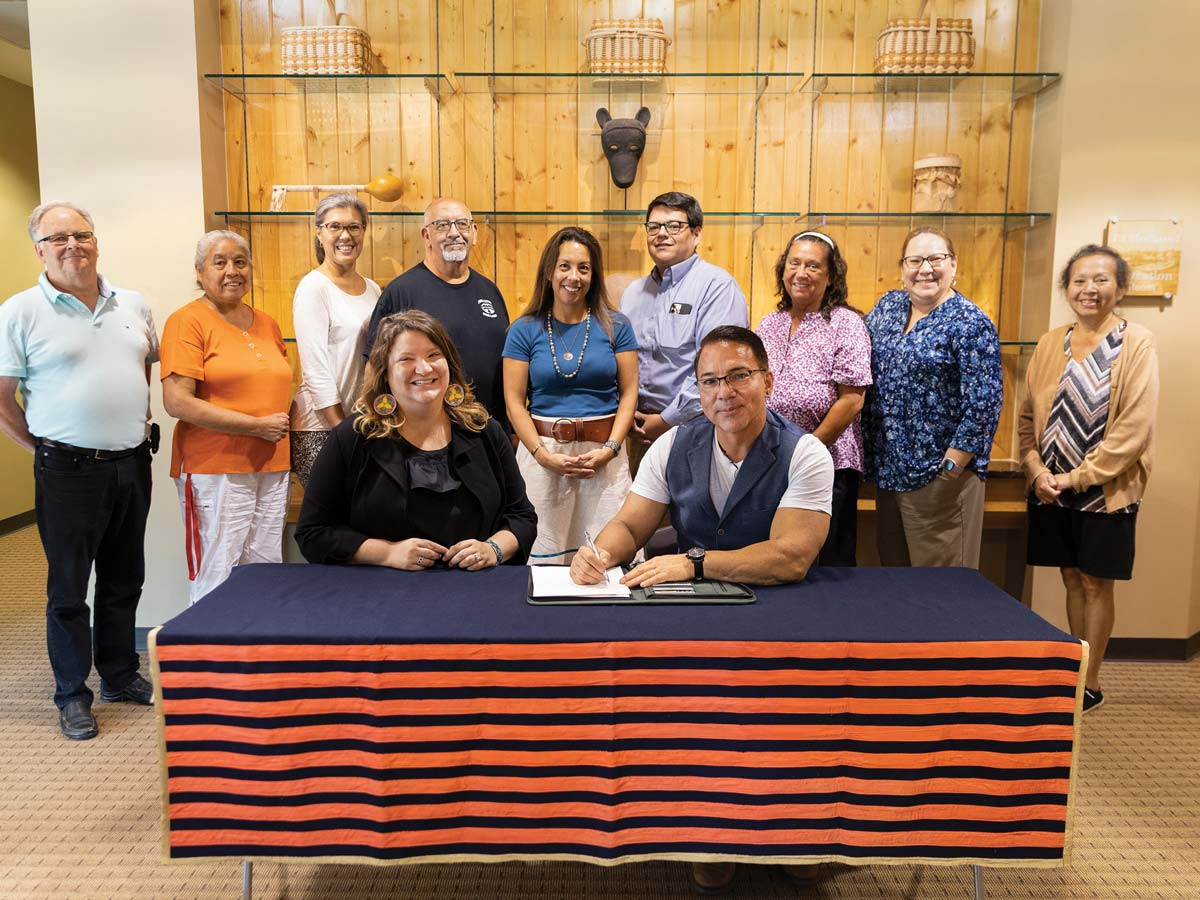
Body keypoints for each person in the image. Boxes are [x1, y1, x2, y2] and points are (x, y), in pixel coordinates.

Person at [570, 325, 832, 893]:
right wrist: (598, 555)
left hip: (778, 618)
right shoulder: (673, 444)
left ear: (767, 379)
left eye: (739, 376)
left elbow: (791, 557)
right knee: (693, 727)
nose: (724, 392)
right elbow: (632, 524)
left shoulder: (805, 452)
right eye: (710, 381)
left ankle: (790, 833)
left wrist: (694, 563)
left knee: (783, 732)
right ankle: (706, 833)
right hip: (696, 621)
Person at [0, 201, 157, 740]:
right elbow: (2, 399)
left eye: (82, 235)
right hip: (66, 470)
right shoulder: (19, 311)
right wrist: (43, 449)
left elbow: (141, 369)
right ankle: (72, 694)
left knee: (123, 578)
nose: (74, 246)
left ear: (96, 241)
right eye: (59, 238)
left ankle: (119, 675)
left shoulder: (132, 303)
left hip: (133, 464)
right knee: (69, 589)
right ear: (39, 249)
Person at [1018, 245, 1158, 714]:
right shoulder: (1049, 342)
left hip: (1104, 490)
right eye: (1079, 281)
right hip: (1050, 488)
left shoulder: (1136, 342)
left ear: (1120, 288)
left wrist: (1078, 477)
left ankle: (1090, 682)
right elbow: (1027, 418)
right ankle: (1075, 670)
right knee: (1072, 578)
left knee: (1098, 583)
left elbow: (1133, 430)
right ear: (1067, 288)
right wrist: (1036, 469)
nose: (1089, 290)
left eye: (1101, 280)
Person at [296, 310, 536, 569]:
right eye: (406, 359)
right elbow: (313, 533)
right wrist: (386, 553)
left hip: (475, 590)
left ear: (449, 364)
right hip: (380, 594)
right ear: (385, 374)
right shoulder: (353, 437)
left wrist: (493, 549)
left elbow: (522, 517)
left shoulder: (485, 430)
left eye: (434, 355)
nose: (424, 368)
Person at [160, 231, 293, 605]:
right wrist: (255, 426)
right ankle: (209, 660)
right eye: (219, 262)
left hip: (271, 465)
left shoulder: (266, 322)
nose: (232, 271)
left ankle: (259, 655)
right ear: (200, 272)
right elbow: (177, 402)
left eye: (240, 261)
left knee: (266, 568)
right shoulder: (187, 321)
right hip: (214, 467)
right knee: (217, 570)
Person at [863, 226, 1002, 569]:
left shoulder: (970, 323)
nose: (925, 268)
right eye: (915, 260)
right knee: (894, 578)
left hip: (939, 477)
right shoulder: (888, 308)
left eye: (936, 258)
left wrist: (951, 469)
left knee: (941, 587)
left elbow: (984, 403)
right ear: (902, 268)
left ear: (953, 265)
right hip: (890, 473)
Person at [502, 227, 638, 562]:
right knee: (541, 558)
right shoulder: (524, 329)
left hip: (604, 457)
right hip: (543, 455)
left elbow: (630, 393)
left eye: (583, 268)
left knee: (608, 560)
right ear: (549, 271)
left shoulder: (616, 326)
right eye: (565, 266)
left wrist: (610, 449)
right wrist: (542, 455)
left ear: (594, 275)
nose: (573, 277)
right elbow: (514, 402)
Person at [756, 230, 871, 566]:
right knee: (776, 556)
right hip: (772, 462)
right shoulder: (769, 324)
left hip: (829, 462)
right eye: (794, 263)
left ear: (831, 275)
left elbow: (852, 401)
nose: (801, 273)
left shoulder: (846, 323)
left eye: (813, 266)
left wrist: (807, 451)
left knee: (827, 564)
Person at [620, 192, 749, 454]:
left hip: (696, 430)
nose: (662, 234)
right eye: (653, 226)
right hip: (635, 431)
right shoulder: (633, 293)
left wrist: (667, 419)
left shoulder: (716, 287)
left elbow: (718, 369)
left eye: (674, 226)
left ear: (697, 234)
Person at [364, 197, 510, 425]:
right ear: (426, 236)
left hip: (490, 431)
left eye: (462, 224)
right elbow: (374, 369)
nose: (454, 233)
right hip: (426, 434)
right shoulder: (402, 291)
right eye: (442, 225)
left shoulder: (490, 291)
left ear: (474, 232)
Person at [290, 193, 382, 485]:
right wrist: (342, 432)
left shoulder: (372, 289)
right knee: (325, 525)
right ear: (319, 233)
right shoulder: (313, 287)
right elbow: (315, 370)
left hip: (359, 426)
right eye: (335, 227)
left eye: (354, 227)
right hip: (320, 429)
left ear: (364, 232)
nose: (346, 235)